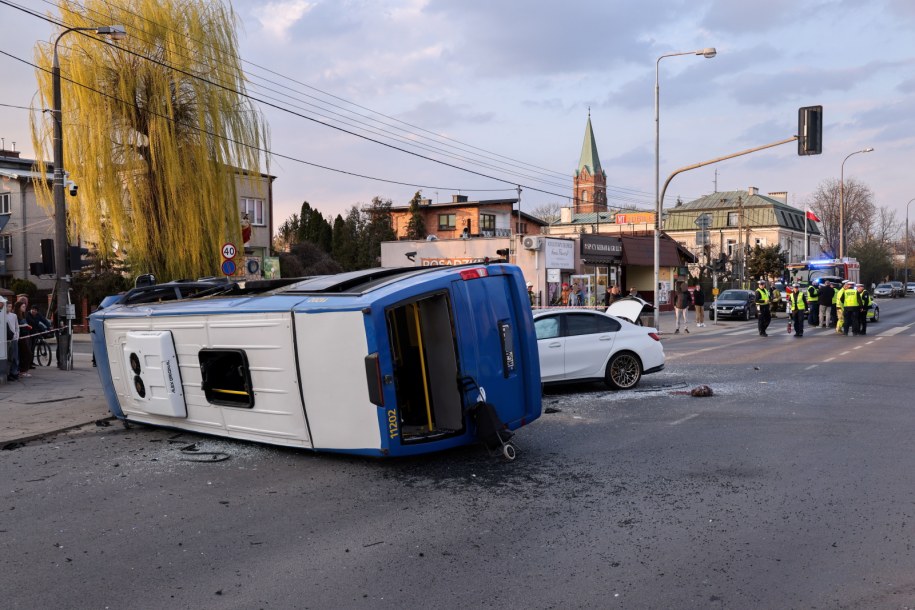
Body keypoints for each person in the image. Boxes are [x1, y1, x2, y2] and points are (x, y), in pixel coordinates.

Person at [6, 302, 20, 381]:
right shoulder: (2, 315)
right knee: (8, 357)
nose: (9, 308)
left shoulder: (14, 316)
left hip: (14, 338)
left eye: (10, 307)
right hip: (7, 339)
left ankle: (14, 372)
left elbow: (17, 326)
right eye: (8, 306)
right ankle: (8, 373)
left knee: (15, 356)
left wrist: (17, 336)